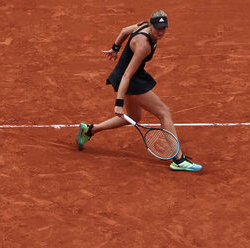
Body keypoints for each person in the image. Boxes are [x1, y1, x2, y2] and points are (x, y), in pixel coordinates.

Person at [76, 10, 202, 172]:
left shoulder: (141, 26)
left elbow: (123, 31)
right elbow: (127, 75)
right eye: (158, 28)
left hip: (131, 76)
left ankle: (89, 130)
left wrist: (115, 48)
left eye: (164, 28)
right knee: (164, 112)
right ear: (151, 25)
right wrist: (118, 103)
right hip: (129, 80)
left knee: (134, 117)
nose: (161, 32)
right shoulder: (143, 45)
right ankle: (178, 160)